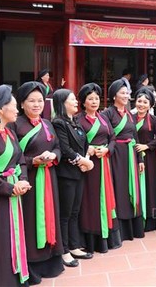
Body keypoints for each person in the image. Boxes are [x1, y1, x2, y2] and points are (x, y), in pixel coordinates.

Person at [13, 82, 64, 284]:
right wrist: (32, 161)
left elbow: (58, 147)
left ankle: (51, 260)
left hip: (49, 179)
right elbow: (13, 157)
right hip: (29, 180)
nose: (36, 105)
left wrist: (53, 154)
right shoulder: (15, 125)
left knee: (51, 215)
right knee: (31, 219)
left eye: (40, 101)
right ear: (22, 104)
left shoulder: (47, 124)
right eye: (31, 101)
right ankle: (32, 263)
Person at [76, 83, 121, 253]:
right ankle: (91, 238)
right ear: (83, 101)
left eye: (96, 98)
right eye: (90, 99)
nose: (94, 102)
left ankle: (106, 236)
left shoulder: (103, 118)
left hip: (104, 164)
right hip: (89, 166)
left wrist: (108, 149)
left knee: (106, 198)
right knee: (90, 200)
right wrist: (90, 149)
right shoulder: (78, 120)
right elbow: (76, 142)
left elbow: (113, 137)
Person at [52, 89, 95, 267]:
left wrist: (87, 156)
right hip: (67, 174)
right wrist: (83, 161)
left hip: (79, 172)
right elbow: (65, 149)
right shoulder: (59, 123)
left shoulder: (75, 121)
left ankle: (74, 245)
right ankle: (64, 250)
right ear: (62, 103)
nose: (76, 102)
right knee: (65, 213)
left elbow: (83, 144)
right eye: (72, 99)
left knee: (75, 212)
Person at [0, 84, 32, 286]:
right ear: (1, 108)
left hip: (14, 190)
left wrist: (23, 179)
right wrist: (9, 188)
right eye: (14, 105)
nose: (17, 110)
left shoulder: (9, 132)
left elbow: (20, 160)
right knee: (1, 238)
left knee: (13, 236)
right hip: (1, 194)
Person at [102, 79, 145, 241]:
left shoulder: (130, 114)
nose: (126, 96)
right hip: (116, 155)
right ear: (114, 96)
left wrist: (140, 158)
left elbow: (135, 136)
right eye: (122, 93)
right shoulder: (107, 114)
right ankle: (120, 229)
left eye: (128, 93)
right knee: (119, 189)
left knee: (131, 189)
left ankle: (134, 227)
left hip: (131, 155)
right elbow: (105, 136)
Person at [132, 87, 156, 231]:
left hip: (150, 157)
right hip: (132, 156)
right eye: (139, 101)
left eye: (145, 102)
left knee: (150, 186)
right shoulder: (129, 118)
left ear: (150, 105)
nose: (141, 104)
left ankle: (150, 219)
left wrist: (147, 146)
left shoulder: (154, 120)